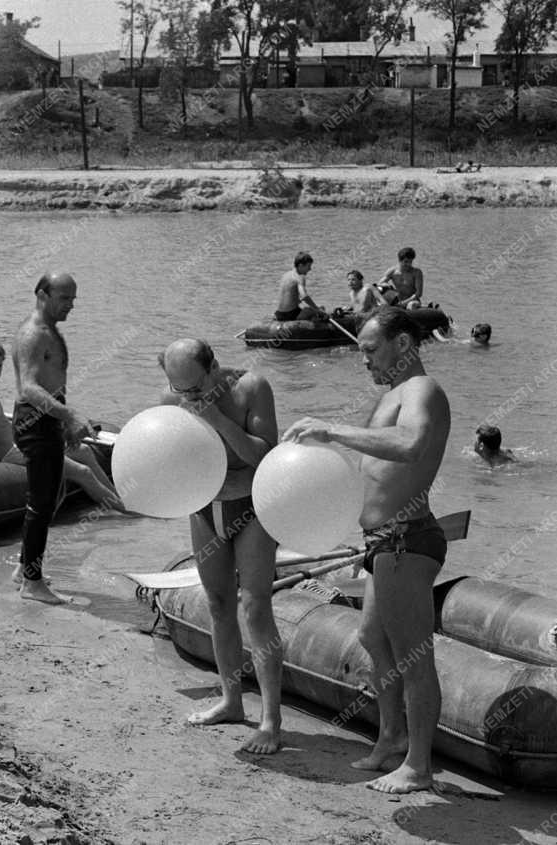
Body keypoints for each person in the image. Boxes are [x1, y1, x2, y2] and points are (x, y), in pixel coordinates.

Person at [283, 306, 451, 793]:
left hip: (407, 540)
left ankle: (418, 766)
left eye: (370, 350)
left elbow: (412, 444)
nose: (365, 362)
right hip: (382, 542)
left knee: (413, 655)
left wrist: (332, 428)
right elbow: (374, 469)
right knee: (374, 640)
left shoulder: (422, 389)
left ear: (403, 345)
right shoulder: (393, 396)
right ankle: (392, 738)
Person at [159, 338, 283, 755]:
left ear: (213, 367)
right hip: (204, 509)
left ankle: (270, 720)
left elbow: (264, 455)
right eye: (181, 391)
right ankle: (231, 701)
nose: (189, 398)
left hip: (251, 507)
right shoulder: (172, 399)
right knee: (217, 603)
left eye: (195, 388)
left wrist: (215, 418)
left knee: (257, 606)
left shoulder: (252, 388)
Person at [0, 340, 124, 511]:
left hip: (25, 443)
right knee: (83, 473)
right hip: (15, 452)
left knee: (83, 451)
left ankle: (118, 497)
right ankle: (126, 513)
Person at [11, 272, 95, 605]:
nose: (70, 306)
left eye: (73, 299)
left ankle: (23, 569)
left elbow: (48, 384)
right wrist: (70, 415)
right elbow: (29, 388)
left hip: (47, 422)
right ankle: (32, 583)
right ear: (42, 295)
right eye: (64, 298)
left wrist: (62, 423)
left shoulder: (49, 331)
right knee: (41, 503)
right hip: (34, 422)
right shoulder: (34, 333)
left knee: (51, 496)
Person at [274, 251, 325, 322]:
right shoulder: (300, 277)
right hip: (290, 314)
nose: (310, 269)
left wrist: (298, 301)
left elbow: (287, 296)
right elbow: (304, 296)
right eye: (308, 266)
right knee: (320, 308)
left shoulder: (286, 275)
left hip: (279, 314)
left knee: (310, 308)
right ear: (301, 266)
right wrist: (316, 309)